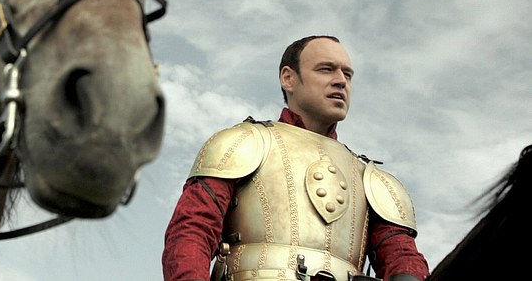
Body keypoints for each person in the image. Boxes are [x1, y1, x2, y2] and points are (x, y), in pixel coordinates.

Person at [162, 35, 430, 281]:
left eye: (347, 74)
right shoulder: (241, 143)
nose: (341, 81)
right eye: (326, 69)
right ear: (288, 78)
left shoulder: (369, 179)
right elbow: (192, 231)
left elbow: (402, 256)